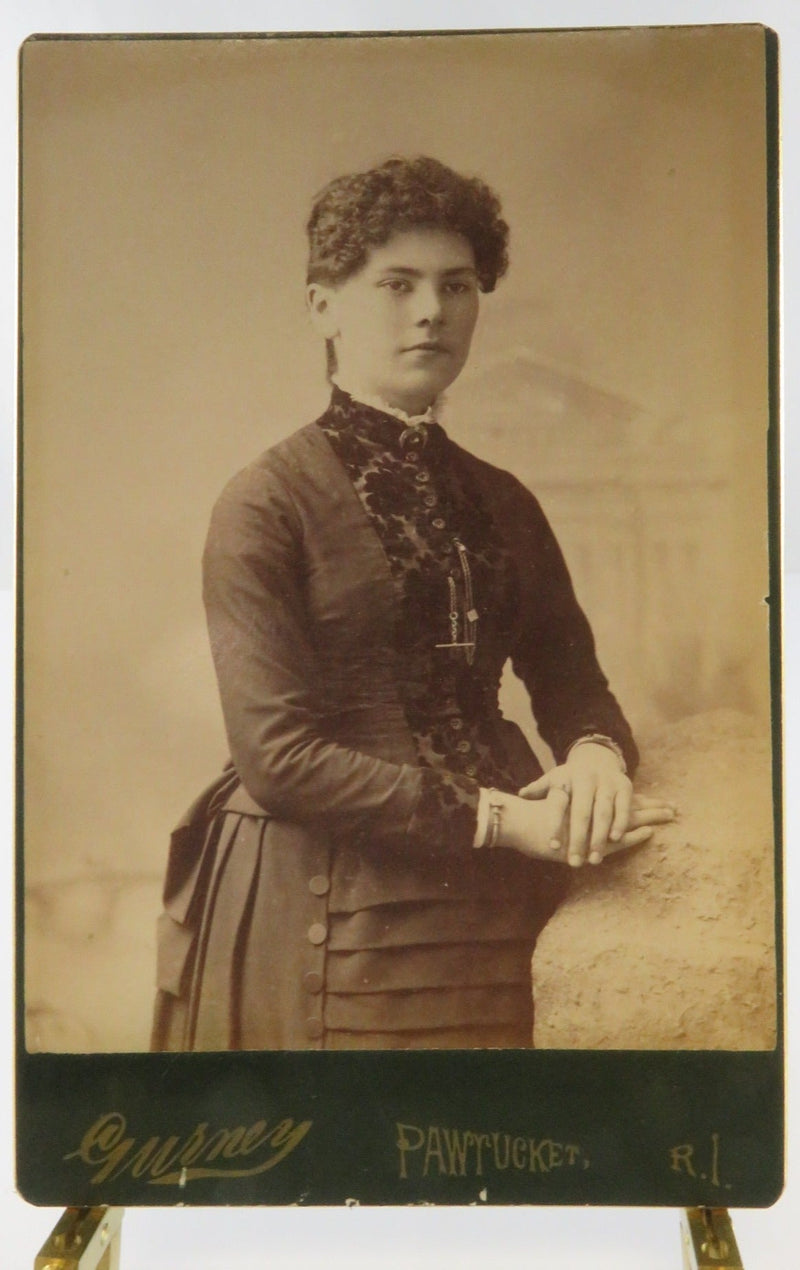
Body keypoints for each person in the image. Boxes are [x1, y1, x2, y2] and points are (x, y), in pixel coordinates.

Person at [151, 156, 672, 1053]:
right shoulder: (265, 501)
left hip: (508, 901)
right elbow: (278, 756)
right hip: (335, 907)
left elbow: (572, 680)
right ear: (324, 306)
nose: (432, 311)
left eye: (456, 286)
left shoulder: (504, 500)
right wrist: (508, 819)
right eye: (397, 285)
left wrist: (595, 758)